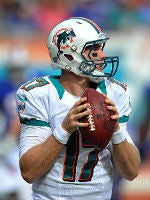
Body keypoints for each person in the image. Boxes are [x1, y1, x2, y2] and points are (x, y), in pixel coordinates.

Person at [16, 17, 141, 200]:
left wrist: (116, 130)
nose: (102, 56)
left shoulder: (115, 92)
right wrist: (64, 129)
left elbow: (131, 172)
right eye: (93, 49)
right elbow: (28, 172)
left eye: (101, 48)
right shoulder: (39, 94)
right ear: (68, 56)